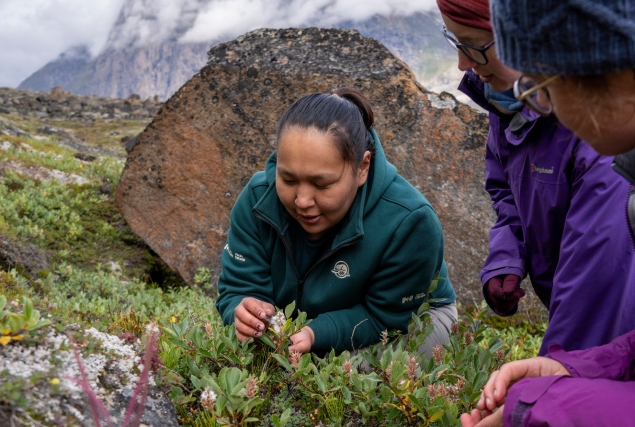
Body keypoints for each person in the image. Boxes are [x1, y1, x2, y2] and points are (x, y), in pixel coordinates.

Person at [460, 0, 635, 425]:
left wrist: (538, 409)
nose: (539, 103)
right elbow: (507, 195)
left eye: (540, 84)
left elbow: (593, 275)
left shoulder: (611, 171)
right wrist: (573, 370)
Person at [215, 87, 457, 356]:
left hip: (407, 320)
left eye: (322, 184)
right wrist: (243, 311)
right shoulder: (258, 199)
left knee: (361, 376)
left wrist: (318, 332)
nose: (302, 200)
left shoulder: (410, 222)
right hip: (301, 329)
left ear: (363, 167)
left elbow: (387, 317)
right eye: (289, 180)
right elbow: (237, 288)